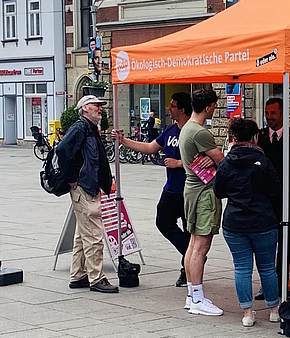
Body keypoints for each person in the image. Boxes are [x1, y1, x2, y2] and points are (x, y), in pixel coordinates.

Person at [111, 92, 192, 287]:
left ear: (181, 109)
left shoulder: (193, 131)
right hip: (171, 189)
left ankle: (187, 268)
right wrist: (123, 141)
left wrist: (179, 163)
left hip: (190, 190)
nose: (169, 108)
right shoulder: (171, 130)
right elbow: (150, 148)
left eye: (172, 106)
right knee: (163, 221)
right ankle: (192, 253)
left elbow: (204, 161)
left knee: (189, 229)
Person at [213, 118, 281, 327]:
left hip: (235, 223)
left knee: (242, 268)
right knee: (268, 267)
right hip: (263, 222)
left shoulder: (225, 162)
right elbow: (275, 190)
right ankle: (274, 311)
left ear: (234, 138)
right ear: (255, 137)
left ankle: (248, 314)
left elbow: (218, 191)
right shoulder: (264, 161)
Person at [57, 95, 117, 293]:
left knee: (82, 234)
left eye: (100, 106)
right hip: (84, 187)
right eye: (95, 106)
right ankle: (96, 277)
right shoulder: (80, 128)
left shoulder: (90, 129)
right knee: (93, 234)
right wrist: (72, 178)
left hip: (88, 185)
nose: (100, 109)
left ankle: (78, 274)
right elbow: (63, 150)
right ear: (84, 109)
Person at [256, 97, 290, 300]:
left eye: (273, 113)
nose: (269, 118)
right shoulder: (260, 136)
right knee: (264, 242)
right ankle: (266, 283)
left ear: (282, 114)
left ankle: (281, 283)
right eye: (267, 114)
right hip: (264, 198)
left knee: (282, 241)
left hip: (286, 197)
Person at [179, 88, 225, 316]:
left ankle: (191, 295)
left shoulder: (187, 127)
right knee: (201, 247)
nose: (215, 108)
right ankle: (197, 299)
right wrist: (215, 158)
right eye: (215, 104)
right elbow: (223, 162)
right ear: (208, 107)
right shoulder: (200, 133)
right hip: (203, 193)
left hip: (191, 190)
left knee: (193, 244)